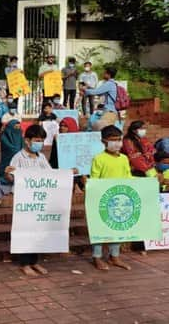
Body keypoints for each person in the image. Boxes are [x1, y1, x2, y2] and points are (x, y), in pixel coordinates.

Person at [4, 124, 52, 276]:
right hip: (24, 201)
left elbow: (51, 175)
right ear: (27, 141)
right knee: (26, 231)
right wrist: (8, 174)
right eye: (37, 140)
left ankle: (34, 261)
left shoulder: (42, 157)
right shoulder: (18, 157)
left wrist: (69, 173)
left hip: (39, 200)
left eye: (42, 141)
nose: (40, 143)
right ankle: (24, 263)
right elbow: (11, 178)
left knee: (38, 231)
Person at [90, 125, 132, 271]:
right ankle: (97, 257)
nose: (117, 143)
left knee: (118, 228)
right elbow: (94, 179)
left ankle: (115, 256)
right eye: (113, 140)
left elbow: (128, 178)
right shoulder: (99, 159)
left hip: (120, 199)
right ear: (104, 141)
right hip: (103, 199)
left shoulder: (124, 159)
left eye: (119, 140)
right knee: (100, 229)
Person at [80, 66, 119, 131]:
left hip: (109, 112)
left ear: (108, 74)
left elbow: (96, 91)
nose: (103, 74)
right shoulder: (113, 84)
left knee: (103, 131)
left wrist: (85, 90)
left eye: (104, 73)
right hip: (110, 111)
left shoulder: (109, 84)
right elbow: (99, 93)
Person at [0, 119, 23, 185]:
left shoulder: (20, 134)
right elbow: (9, 147)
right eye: (15, 127)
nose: (17, 129)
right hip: (8, 157)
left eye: (18, 127)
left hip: (18, 156)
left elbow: (22, 145)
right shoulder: (4, 136)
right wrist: (18, 152)